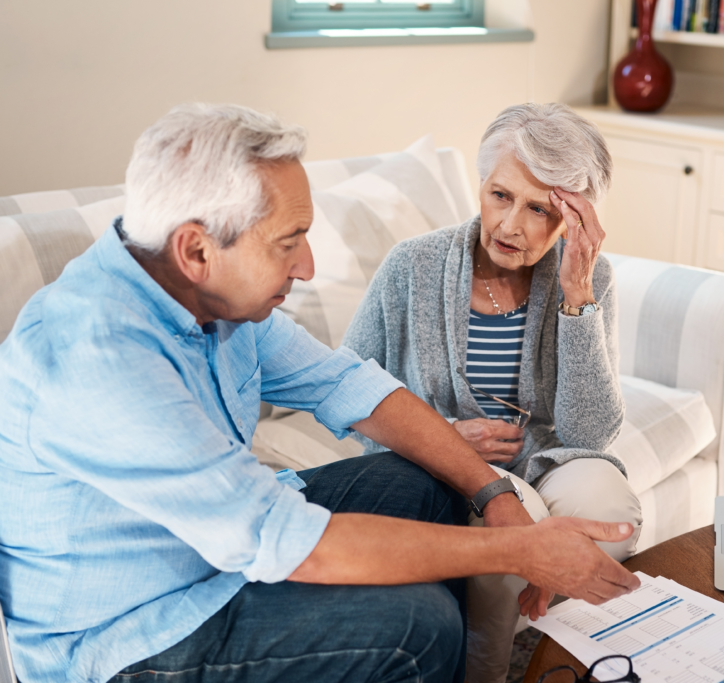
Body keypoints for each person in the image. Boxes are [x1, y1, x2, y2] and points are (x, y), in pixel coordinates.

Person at [0, 103, 641, 683]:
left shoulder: (207, 296)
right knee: (419, 630)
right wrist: (518, 546)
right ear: (196, 248)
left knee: (425, 483)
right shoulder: (100, 361)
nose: (306, 266)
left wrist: (493, 492)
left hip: (210, 558)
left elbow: (347, 382)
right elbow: (277, 536)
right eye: (289, 242)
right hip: (132, 631)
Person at [343, 103, 644, 683]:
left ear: (572, 219)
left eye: (538, 209)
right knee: (517, 523)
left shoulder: (587, 277)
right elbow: (346, 392)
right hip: (447, 470)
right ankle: (487, 670)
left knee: (610, 509)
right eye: (500, 196)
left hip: (544, 461)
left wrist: (576, 293)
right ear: (481, 185)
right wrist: (444, 435)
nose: (510, 226)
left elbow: (591, 433)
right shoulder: (414, 265)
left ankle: (561, 660)